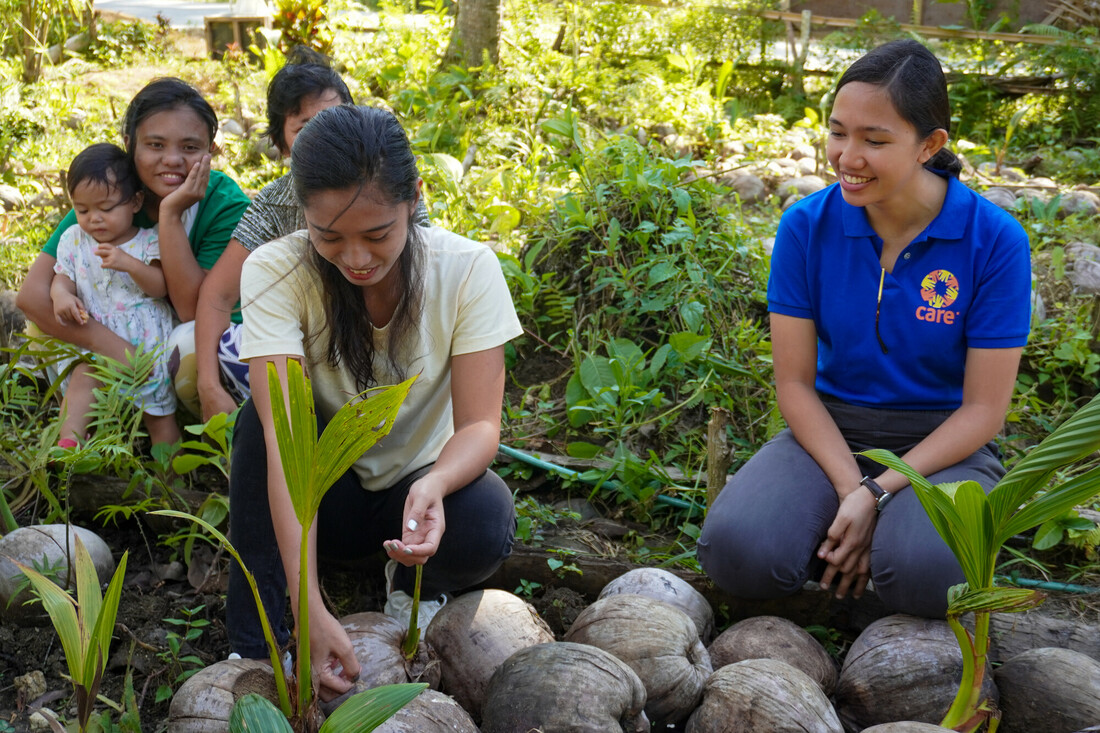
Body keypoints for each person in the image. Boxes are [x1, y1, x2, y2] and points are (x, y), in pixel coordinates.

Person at [697, 40, 1031, 619]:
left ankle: (882, 543)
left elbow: (984, 411)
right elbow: (795, 385)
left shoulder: (994, 240)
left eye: (875, 141)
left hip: (945, 445)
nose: (848, 156)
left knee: (929, 577)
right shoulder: (806, 225)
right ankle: (851, 538)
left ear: (930, 145)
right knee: (738, 552)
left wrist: (880, 493)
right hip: (832, 430)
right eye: (838, 132)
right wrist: (855, 487)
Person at [226, 105, 521, 700]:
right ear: (301, 212)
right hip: (323, 492)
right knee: (255, 429)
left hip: (411, 493)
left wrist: (436, 484)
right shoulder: (275, 272)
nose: (356, 258)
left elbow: (480, 426)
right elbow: (287, 447)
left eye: (378, 234)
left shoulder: (466, 270)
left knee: (487, 514)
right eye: (329, 236)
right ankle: (256, 637)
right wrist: (307, 605)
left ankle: (412, 576)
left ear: (414, 198)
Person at [16, 77, 251, 413]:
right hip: (121, 341)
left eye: (189, 147)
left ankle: (178, 423)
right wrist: (114, 349)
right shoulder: (109, 196)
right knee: (43, 323)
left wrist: (170, 215)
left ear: (210, 151)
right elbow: (31, 296)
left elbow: (190, 311)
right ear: (129, 144)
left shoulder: (224, 204)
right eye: (155, 145)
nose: (171, 159)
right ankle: (104, 413)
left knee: (188, 345)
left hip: (191, 345)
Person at [193, 48, 353, 422]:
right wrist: (208, 387)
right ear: (282, 145)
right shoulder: (274, 204)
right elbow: (217, 295)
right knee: (219, 346)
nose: (325, 136)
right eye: (305, 126)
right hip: (301, 351)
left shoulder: (388, 185)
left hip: (379, 348)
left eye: (335, 118)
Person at [51, 143, 179, 449]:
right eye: (82, 210)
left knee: (159, 418)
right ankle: (68, 446)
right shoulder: (74, 240)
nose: (94, 218)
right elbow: (62, 278)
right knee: (84, 378)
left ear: (135, 202)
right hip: (95, 338)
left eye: (106, 209)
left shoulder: (150, 240)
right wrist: (61, 297)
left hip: (144, 344)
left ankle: (174, 479)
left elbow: (160, 286)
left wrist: (129, 264)